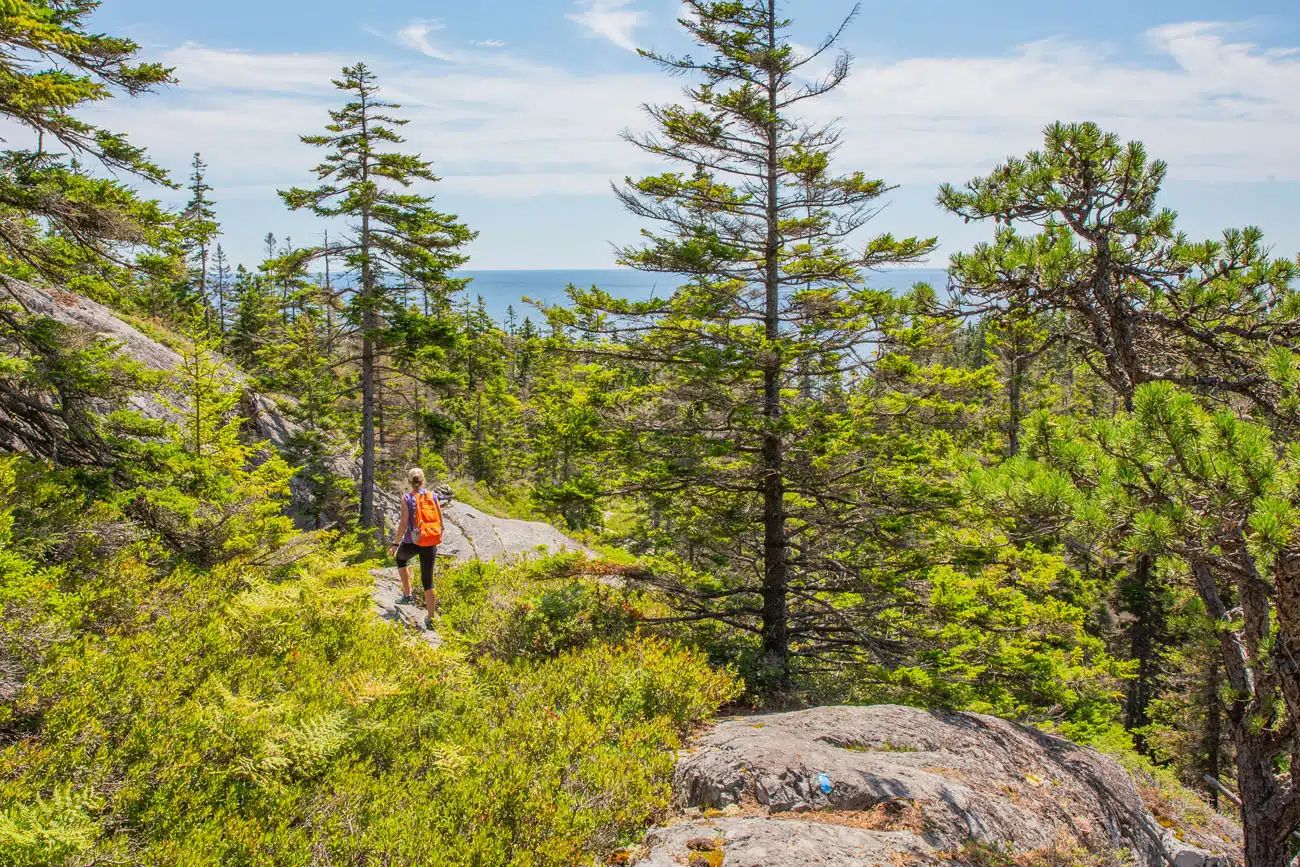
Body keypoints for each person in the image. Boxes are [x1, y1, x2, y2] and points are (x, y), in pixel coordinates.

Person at [387, 468, 448, 630]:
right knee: (428, 581)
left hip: (412, 541)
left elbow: (404, 523)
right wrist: (434, 535)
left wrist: (395, 543)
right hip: (430, 541)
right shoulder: (433, 496)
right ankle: (431, 619)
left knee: (401, 558)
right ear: (423, 480)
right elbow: (440, 519)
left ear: (409, 481)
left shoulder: (407, 498)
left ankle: (408, 595)